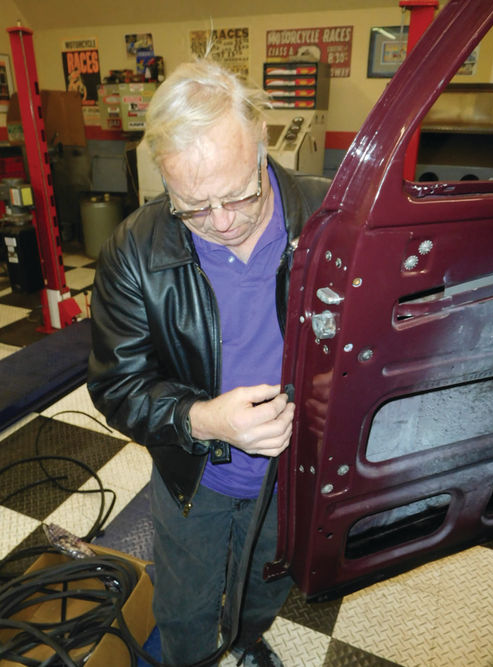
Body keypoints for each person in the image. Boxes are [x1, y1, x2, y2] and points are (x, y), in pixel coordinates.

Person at [87, 59, 330, 667]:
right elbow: (118, 386)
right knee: (186, 607)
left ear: (262, 145)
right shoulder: (135, 249)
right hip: (196, 478)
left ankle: (245, 644)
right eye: (192, 205)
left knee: (268, 583)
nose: (220, 223)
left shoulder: (333, 225)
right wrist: (203, 420)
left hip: (296, 479)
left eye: (236, 195)